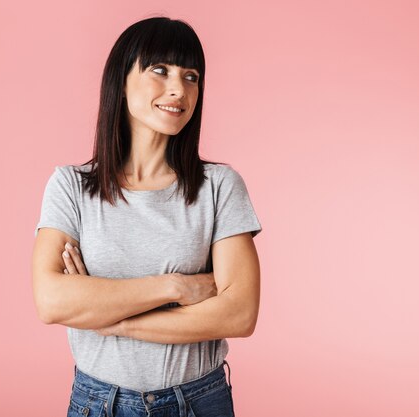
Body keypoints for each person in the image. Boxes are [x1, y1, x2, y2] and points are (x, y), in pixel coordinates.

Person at [32, 16, 262, 417]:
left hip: (197, 402)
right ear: (121, 80)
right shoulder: (71, 186)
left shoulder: (219, 187)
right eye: (160, 70)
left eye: (191, 76)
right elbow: (51, 300)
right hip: (98, 404)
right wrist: (176, 287)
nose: (179, 89)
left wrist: (112, 321)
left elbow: (239, 313)